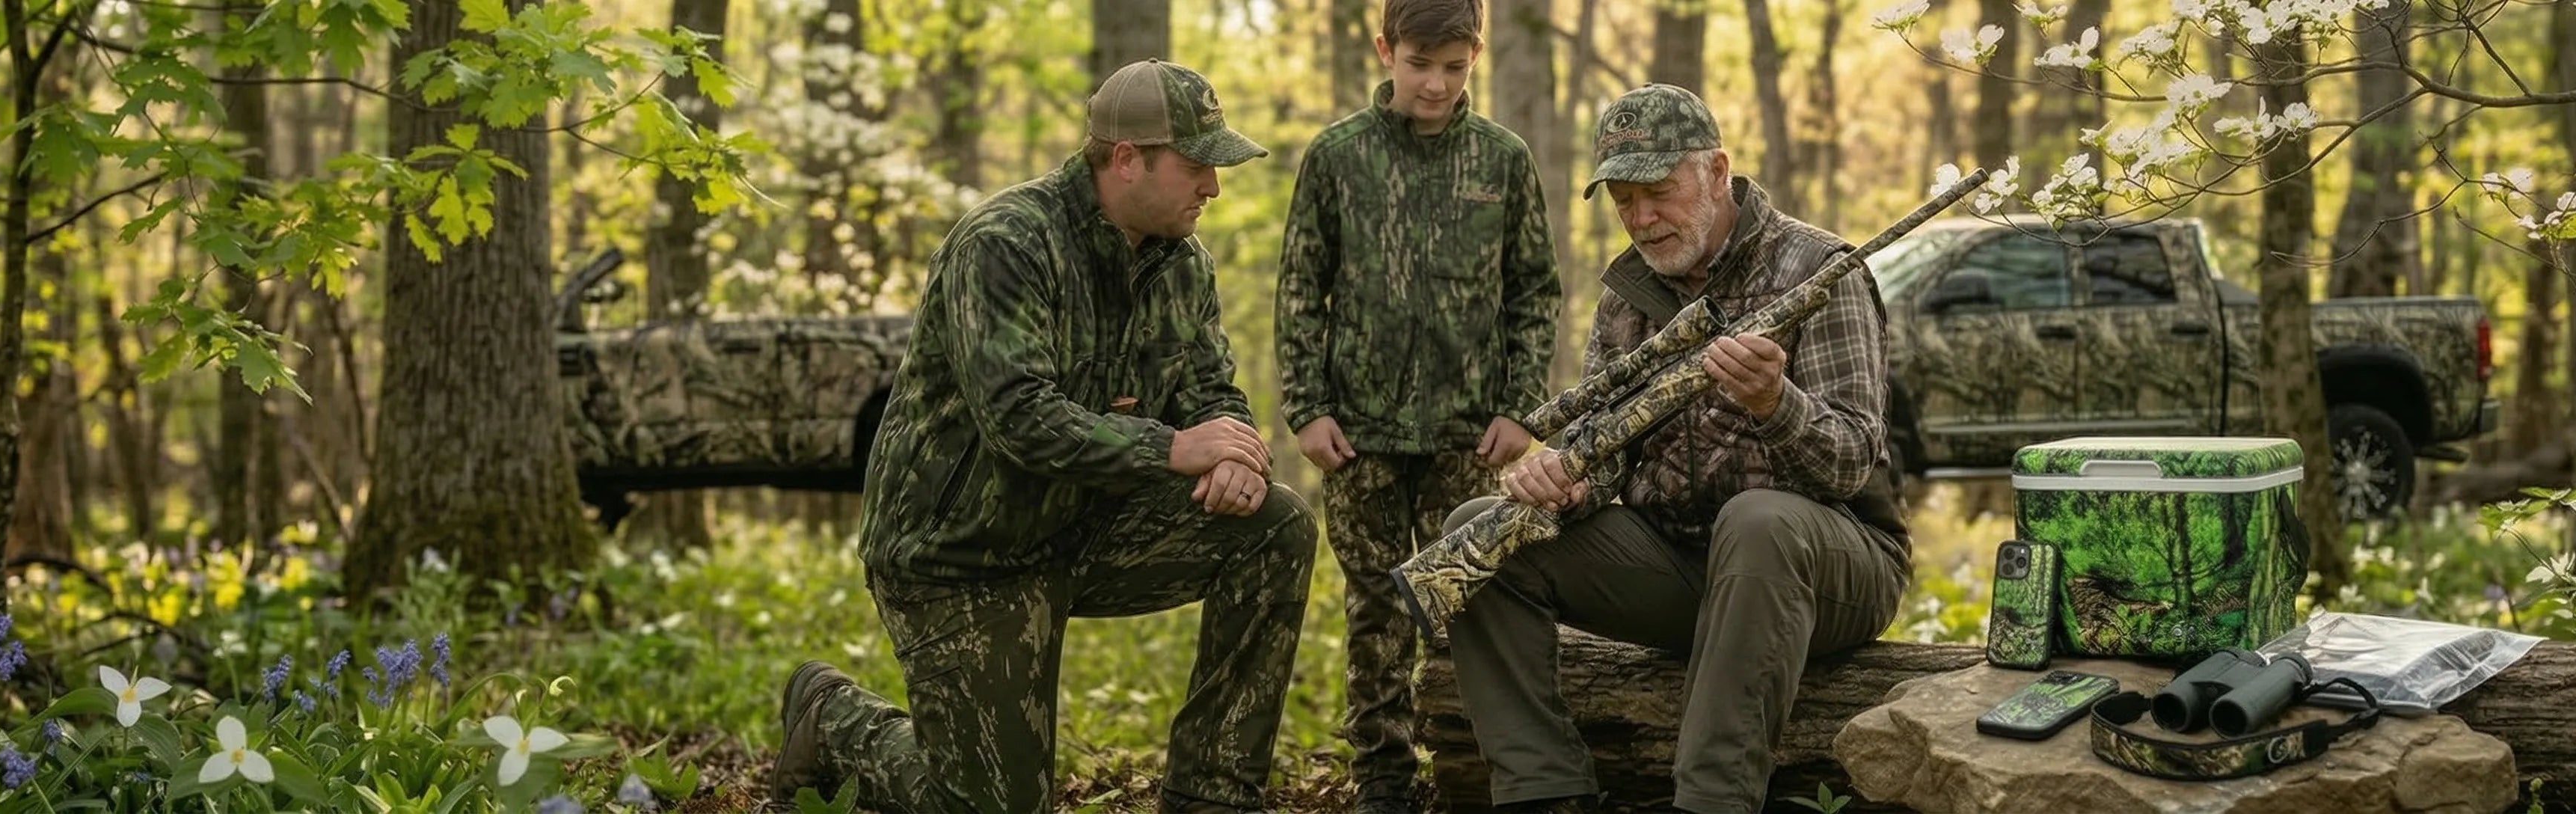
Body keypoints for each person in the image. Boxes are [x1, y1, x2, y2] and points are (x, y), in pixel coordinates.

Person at [770, 58, 1316, 814]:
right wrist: (1171, 447)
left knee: (1276, 524)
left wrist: (1237, 457)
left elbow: (1212, 392)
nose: (1212, 188)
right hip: (960, 554)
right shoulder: (1005, 244)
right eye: (1196, 167)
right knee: (990, 805)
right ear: (1126, 159)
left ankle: (1211, 795)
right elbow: (1018, 417)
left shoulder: (1181, 265)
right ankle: (832, 719)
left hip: (1082, 529)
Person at [1441, 84, 1913, 814]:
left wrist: (1776, 404)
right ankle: (1544, 790)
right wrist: (1569, 482)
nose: (1641, 218)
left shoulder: (1822, 270)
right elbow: (1607, 451)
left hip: (1829, 566)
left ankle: (1710, 801)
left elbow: (1853, 460)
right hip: (1679, 562)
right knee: (1478, 531)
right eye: (1623, 201)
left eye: (1657, 192)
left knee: (1758, 520)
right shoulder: (1625, 297)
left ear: (1718, 172)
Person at [1274, 0, 1560, 810]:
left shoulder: (1502, 160)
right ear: (1385, 51)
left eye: (1453, 66)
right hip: (1357, 434)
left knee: (1468, 600)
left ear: (1474, 57)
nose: (1434, 84)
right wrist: (1305, 406)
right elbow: (1300, 290)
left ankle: (1469, 766)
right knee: (1376, 611)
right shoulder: (1336, 157)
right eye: (1418, 63)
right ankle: (1385, 778)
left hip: (1468, 436)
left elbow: (1533, 291)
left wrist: (1518, 407)